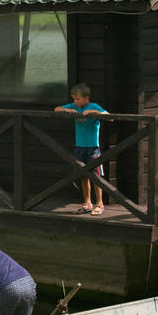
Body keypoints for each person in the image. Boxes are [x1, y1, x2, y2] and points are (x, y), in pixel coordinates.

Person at [54, 82, 110, 216]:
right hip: (80, 147)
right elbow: (56, 109)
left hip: (93, 148)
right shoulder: (74, 106)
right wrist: (66, 110)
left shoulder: (93, 106)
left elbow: (109, 117)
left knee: (96, 176)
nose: (76, 102)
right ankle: (87, 202)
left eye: (78, 99)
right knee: (83, 176)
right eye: (74, 99)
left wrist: (94, 112)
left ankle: (100, 203)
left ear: (86, 97)